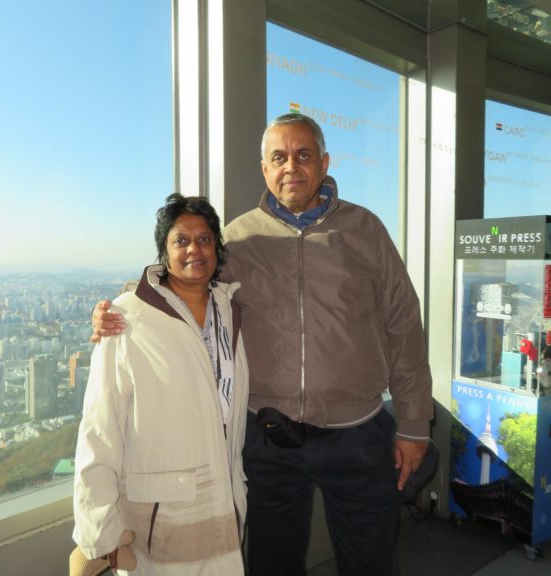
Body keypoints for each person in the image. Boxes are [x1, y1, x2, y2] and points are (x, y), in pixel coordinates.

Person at [92, 114, 433, 575]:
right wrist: (123, 311)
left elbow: (404, 326)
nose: (291, 166)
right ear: (264, 169)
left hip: (358, 435)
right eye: (279, 157)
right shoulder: (239, 237)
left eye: (303, 155)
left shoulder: (364, 230)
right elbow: (187, 284)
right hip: (270, 440)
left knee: (370, 563)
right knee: (272, 564)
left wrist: (414, 425)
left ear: (324, 162)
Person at [72, 193, 248, 576]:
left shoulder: (228, 308)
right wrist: (101, 533)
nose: (193, 249)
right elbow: (99, 430)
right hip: (160, 519)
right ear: (163, 252)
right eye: (180, 240)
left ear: (217, 248)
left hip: (224, 502)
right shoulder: (128, 317)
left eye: (204, 239)